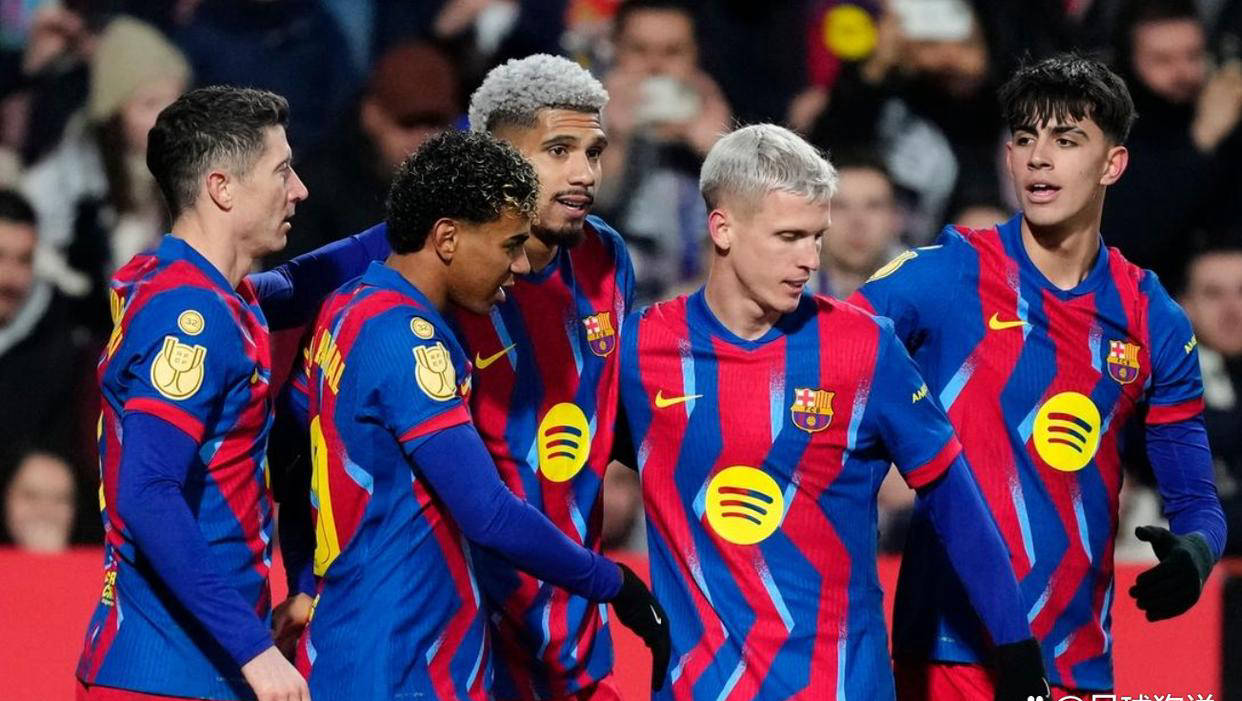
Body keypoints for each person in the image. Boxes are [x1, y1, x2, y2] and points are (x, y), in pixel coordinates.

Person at [620, 123, 1047, 700]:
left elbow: (955, 502)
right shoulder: (640, 351)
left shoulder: (865, 347)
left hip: (843, 685)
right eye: (789, 236)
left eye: (816, 237)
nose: (809, 259)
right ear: (722, 228)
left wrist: (1015, 647)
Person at [851, 54, 1227, 699]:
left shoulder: (1152, 317)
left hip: (1077, 661)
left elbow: (1195, 500)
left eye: (1067, 140)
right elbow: (821, 356)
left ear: (1112, 164)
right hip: (949, 654)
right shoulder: (946, 274)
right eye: (1025, 139)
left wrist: (1195, 553)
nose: (1039, 159)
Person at [282, 129, 668, 701]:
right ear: (447, 238)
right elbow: (488, 513)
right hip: (405, 659)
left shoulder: (346, 306)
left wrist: (303, 579)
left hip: (351, 637)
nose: (519, 267)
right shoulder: (411, 345)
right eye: (509, 245)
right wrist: (614, 584)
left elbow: (292, 459)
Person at [75, 85, 390, 701]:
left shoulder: (196, 289)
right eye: (281, 171)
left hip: (197, 666)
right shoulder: (189, 319)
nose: (299, 189)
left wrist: (432, 209)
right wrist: (254, 651)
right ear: (221, 187)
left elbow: (308, 278)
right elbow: (147, 493)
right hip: (168, 675)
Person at [453, 53, 645, 700]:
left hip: (575, 634)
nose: (584, 174)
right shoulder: (438, 271)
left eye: (594, 152)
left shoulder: (605, 256)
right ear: (493, 159)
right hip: (468, 638)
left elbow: (607, 406)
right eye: (558, 151)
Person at [598, 0, 731, 305]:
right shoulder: (580, 123)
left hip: (697, 309)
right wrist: (613, 140)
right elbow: (591, 209)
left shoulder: (717, 121)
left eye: (672, 52)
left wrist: (719, 152)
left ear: (695, 56)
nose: (655, 66)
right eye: (639, 50)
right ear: (615, 50)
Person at [1179, 242, 1242, 557]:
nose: (1232, 310)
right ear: (1184, 306)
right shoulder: (1154, 386)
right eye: (1214, 294)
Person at [807, 152, 905, 299]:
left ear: (896, 218)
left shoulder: (926, 293)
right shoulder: (783, 293)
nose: (858, 222)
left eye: (873, 206)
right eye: (841, 206)